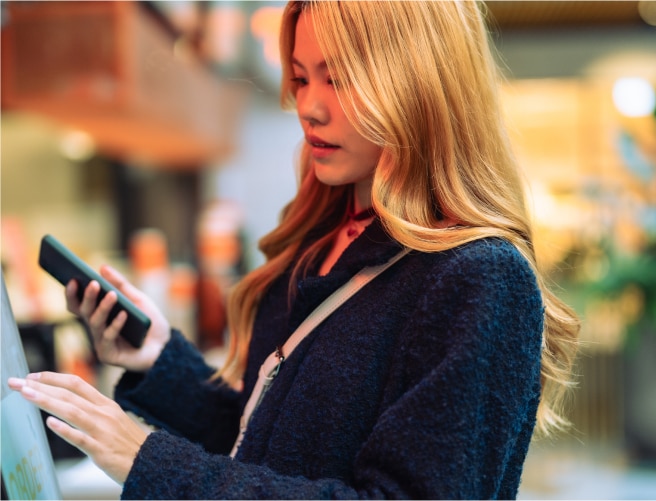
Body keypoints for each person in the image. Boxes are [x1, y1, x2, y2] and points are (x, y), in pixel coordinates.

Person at [8, 1, 580, 499]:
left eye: (338, 79)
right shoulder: (319, 245)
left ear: (418, 82)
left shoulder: (478, 279)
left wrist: (146, 458)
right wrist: (159, 360)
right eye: (302, 78)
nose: (308, 105)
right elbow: (264, 447)